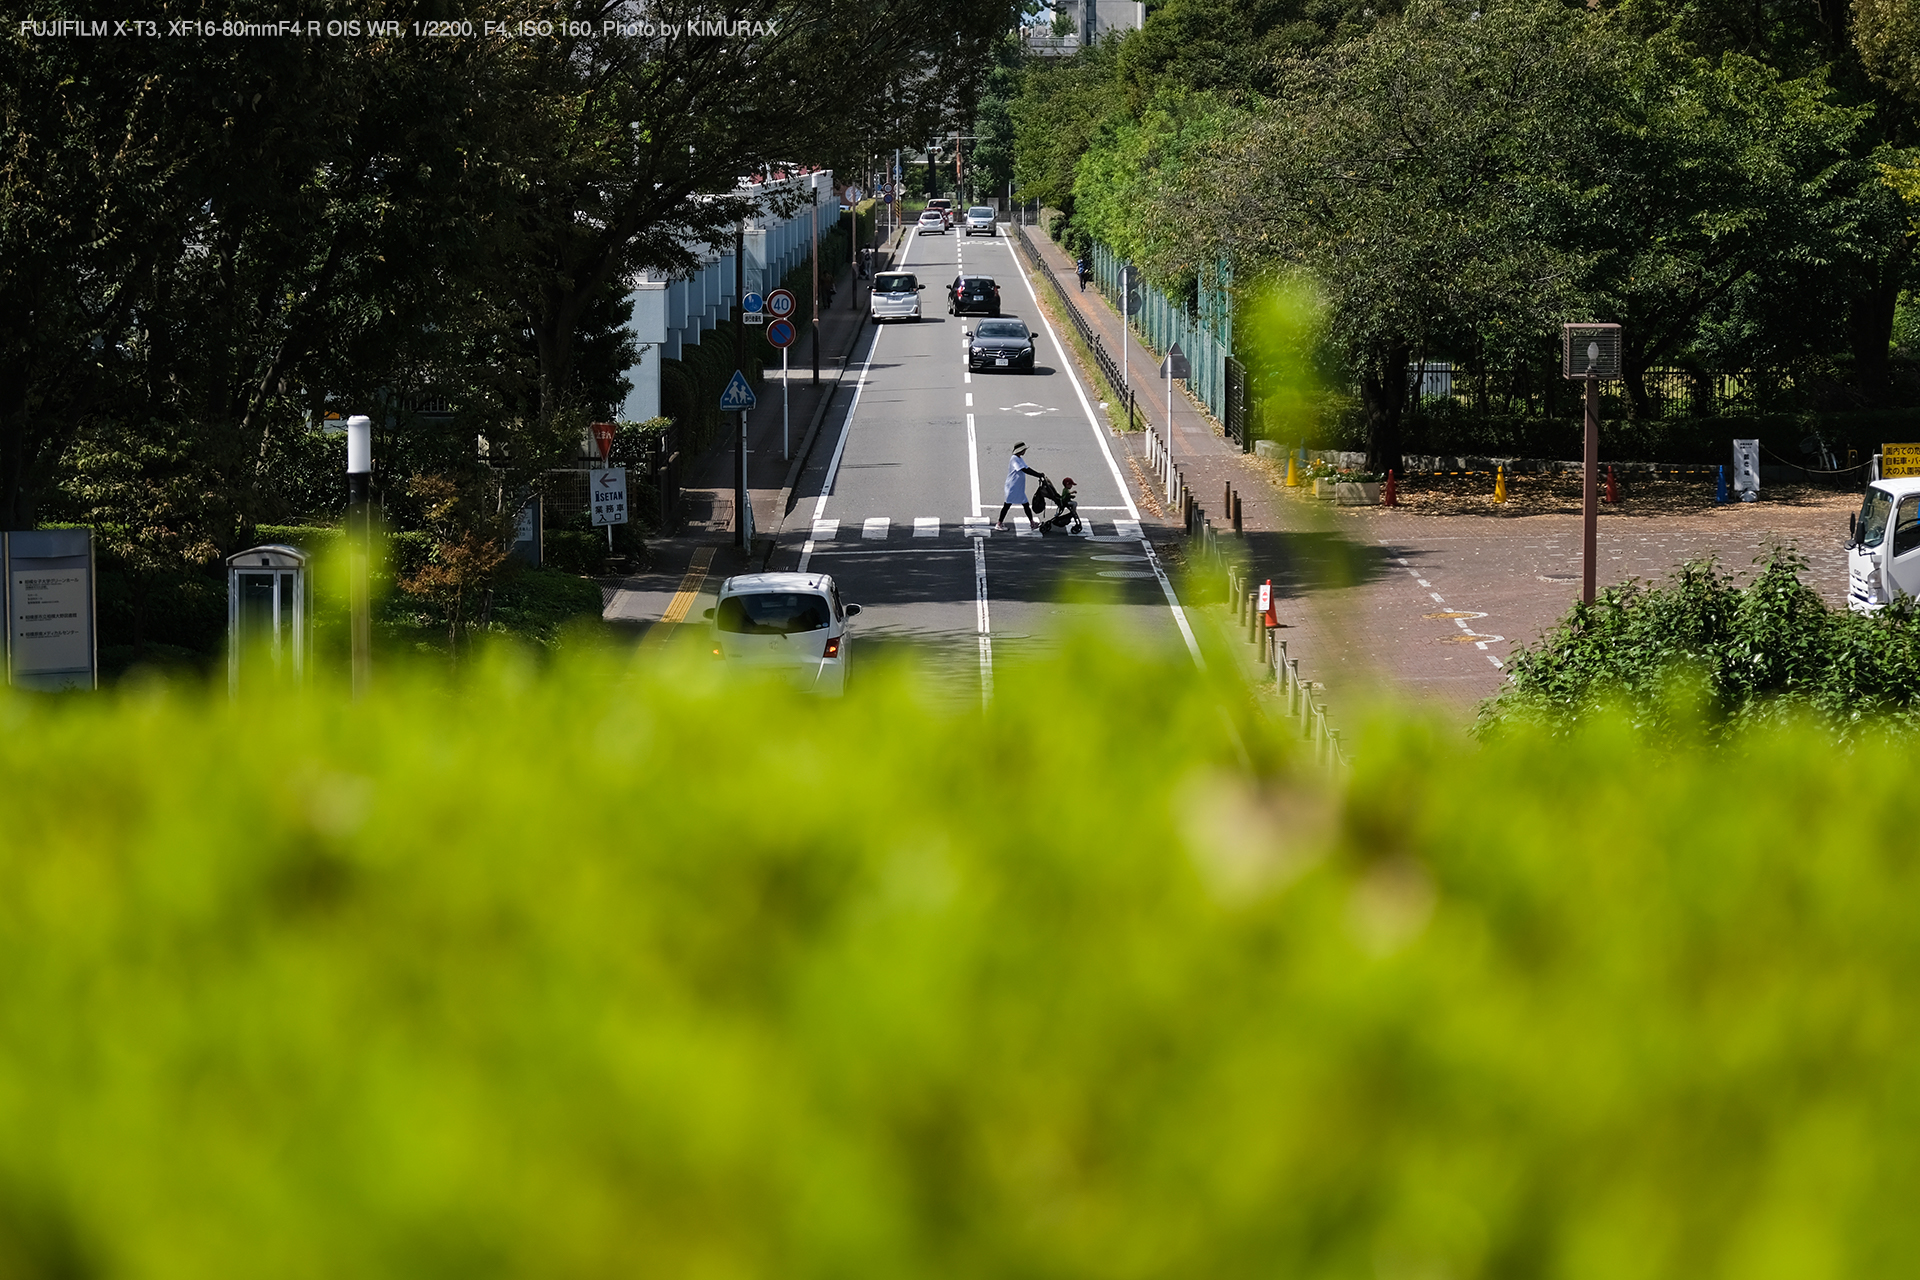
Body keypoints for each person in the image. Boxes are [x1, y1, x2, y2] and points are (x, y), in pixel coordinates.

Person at [997, 442, 1045, 531]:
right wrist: (1038, 475)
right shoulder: (1014, 459)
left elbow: (1027, 468)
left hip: (1018, 488)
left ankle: (1032, 523)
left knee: (1025, 504)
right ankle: (999, 524)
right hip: (1012, 487)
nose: (1025, 451)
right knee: (1007, 505)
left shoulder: (1019, 458)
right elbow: (1024, 469)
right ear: (1020, 450)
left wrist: (1038, 474)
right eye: (1024, 450)